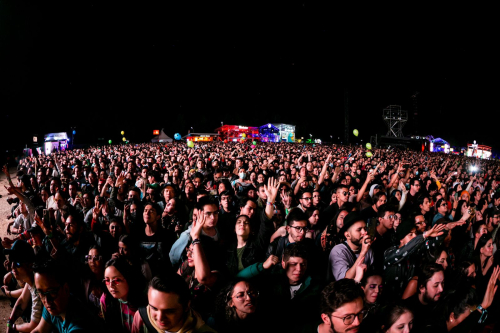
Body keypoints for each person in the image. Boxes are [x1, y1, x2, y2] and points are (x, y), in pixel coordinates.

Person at [30, 260, 106, 332]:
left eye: (52, 292)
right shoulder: (53, 304)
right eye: (41, 293)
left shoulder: (78, 325)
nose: (46, 300)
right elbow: (39, 330)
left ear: (66, 289)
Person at [131, 273, 216, 333]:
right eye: (154, 308)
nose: (160, 318)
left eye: (169, 311)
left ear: (186, 306)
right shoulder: (141, 318)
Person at [4, 240, 42, 333]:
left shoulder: (39, 286)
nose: (12, 266)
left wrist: (14, 327)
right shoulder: (30, 278)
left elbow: (33, 326)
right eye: (12, 261)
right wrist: (10, 321)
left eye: (17, 263)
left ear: (30, 265)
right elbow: (22, 299)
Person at [100, 257, 147, 332]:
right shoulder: (106, 299)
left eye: (117, 280)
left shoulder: (144, 303)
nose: (111, 285)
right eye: (107, 280)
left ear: (129, 279)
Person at [328, 212, 374, 281]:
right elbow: (344, 281)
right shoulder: (338, 251)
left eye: (365, 228)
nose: (364, 232)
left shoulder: (368, 250)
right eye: (359, 230)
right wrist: (363, 253)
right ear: (347, 235)